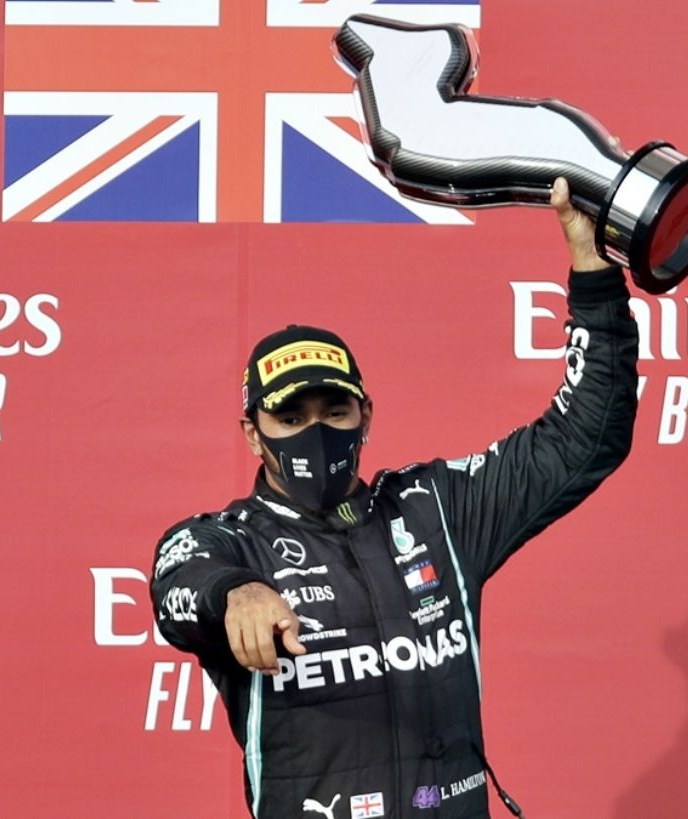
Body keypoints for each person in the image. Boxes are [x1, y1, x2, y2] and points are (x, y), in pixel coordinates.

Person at [150, 178, 640, 819]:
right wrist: (235, 593)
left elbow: (585, 436)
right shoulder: (233, 538)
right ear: (252, 433)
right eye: (290, 418)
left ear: (367, 416)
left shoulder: (435, 507)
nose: (315, 432)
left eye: (335, 411)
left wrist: (594, 273)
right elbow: (178, 578)